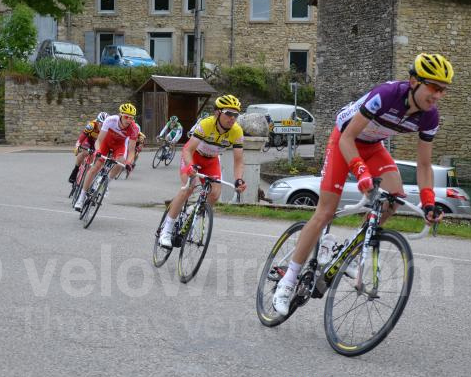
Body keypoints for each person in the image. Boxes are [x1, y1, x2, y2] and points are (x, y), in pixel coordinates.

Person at [272, 53, 453, 316]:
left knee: (394, 198)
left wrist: (428, 203)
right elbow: (347, 137)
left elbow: (424, 165)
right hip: (344, 140)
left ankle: (351, 250)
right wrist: (361, 173)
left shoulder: (430, 117)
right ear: (414, 81)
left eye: (443, 90)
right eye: (434, 87)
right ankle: (288, 280)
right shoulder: (387, 95)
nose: (437, 95)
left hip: (373, 147)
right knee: (325, 212)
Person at [158, 94, 247, 248]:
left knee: (215, 194)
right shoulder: (206, 124)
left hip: (212, 160)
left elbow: (238, 160)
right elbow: (188, 149)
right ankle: (166, 230)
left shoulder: (237, 131)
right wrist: (190, 166)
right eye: (228, 113)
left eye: (236, 114)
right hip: (194, 156)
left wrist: (239, 179)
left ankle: (194, 213)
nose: (232, 118)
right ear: (217, 113)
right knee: (188, 188)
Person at [74, 103, 139, 210]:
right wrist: (98, 151)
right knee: (95, 168)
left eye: (131, 118)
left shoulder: (134, 128)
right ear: (120, 115)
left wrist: (128, 163)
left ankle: (105, 183)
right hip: (105, 143)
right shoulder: (110, 120)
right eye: (126, 117)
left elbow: (131, 151)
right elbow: (99, 140)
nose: (129, 120)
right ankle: (81, 198)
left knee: (121, 162)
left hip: (119, 146)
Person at [69, 112, 107, 184]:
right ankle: (76, 170)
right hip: (89, 140)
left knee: (94, 157)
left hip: (98, 143)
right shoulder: (92, 125)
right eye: (101, 124)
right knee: (85, 153)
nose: (102, 126)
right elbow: (83, 135)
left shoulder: (107, 129)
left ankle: (87, 176)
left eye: (104, 125)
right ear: (97, 122)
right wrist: (77, 145)